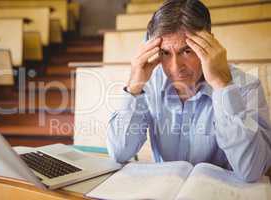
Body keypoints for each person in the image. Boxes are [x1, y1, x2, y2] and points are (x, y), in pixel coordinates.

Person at [106, 0, 271, 182]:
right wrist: (134, 87)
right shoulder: (149, 84)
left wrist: (222, 86)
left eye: (186, 51)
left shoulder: (247, 87)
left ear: (210, 45)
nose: (175, 68)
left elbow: (251, 171)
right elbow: (119, 152)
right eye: (165, 53)